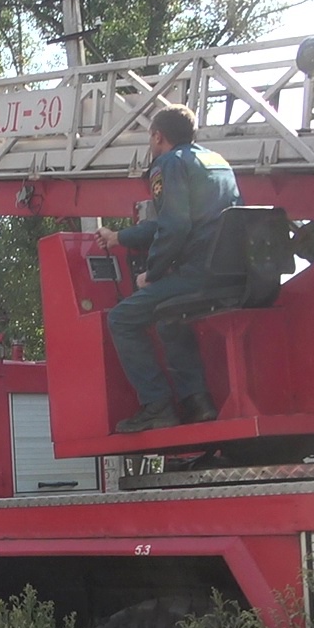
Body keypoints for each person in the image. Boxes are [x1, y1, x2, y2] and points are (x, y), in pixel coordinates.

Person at [96, 104, 244, 433]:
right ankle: (197, 403)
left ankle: (157, 405)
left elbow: (175, 227)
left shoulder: (168, 164)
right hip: (231, 273)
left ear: (158, 136)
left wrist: (153, 273)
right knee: (167, 318)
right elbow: (173, 221)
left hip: (197, 275)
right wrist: (119, 237)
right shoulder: (216, 162)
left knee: (121, 318)